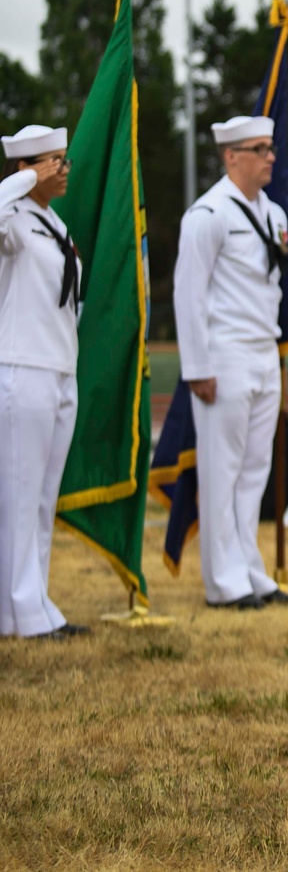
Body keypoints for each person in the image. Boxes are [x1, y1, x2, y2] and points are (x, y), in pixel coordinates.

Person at [173, 115, 288, 609]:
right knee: (221, 470)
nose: (271, 157)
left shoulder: (274, 214)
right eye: (259, 149)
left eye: (271, 147)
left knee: (254, 470)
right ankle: (222, 582)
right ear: (231, 156)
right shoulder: (208, 214)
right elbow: (189, 293)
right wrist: (198, 367)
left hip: (263, 353)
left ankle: (251, 571)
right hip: (223, 355)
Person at [0, 123, 88, 639]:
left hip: (57, 370)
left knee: (41, 498)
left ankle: (35, 602)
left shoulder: (53, 224)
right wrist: (21, 177)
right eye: (53, 161)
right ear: (25, 168)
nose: (64, 170)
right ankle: (17, 612)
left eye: (64, 159)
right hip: (21, 369)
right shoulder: (12, 220)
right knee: (18, 495)